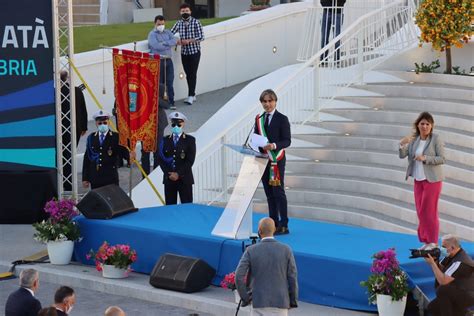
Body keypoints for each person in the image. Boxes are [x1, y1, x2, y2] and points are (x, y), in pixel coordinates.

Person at [399, 112, 445, 250]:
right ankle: (426, 241)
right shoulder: (415, 140)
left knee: (428, 211)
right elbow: (402, 155)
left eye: (427, 124)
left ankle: (433, 241)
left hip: (432, 180)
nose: (424, 126)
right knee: (420, 211)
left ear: (431, 126)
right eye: (422, 123)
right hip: (418, 179)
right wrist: (402, 145)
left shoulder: (435, 139)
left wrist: (425, 158)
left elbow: (442, 158)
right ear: (418, 125)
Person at [235, 217, 298, 315]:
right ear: (274, 229)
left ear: (259, 231)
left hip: (258, 302)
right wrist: (292, 301)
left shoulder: (250, 250)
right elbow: (292, 278)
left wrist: (245, 298)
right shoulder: (286, 250)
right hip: (280, 303)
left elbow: (238, 276)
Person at [254, 89, 291, 235]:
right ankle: (273, 223)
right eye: (264, 101)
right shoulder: (259, 119)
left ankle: (284, 224)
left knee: (278, 192)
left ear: (275, 101)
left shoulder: (282, 118)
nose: (267, 104)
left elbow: (287, 140)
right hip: (263, 160)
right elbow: (256, 137)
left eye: (270, 101)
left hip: (276, 160)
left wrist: (274, 145)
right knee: (269, 193)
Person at [424, 234, 474, 316]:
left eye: (443, 246)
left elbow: (443, 281)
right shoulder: (450, 254)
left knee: (443, 290)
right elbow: (440, 270)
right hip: (456, 291)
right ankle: (466, 314)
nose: (441, 249)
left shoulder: (461, 261)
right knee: (432, 307)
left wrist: (432, 264)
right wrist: (435, 261)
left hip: (469, 295)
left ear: (453, 248)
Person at [157, 111, 196, 205]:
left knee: (187, 208)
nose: (176, 126)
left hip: (184, 179)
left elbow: (190, 161)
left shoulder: (190, 140)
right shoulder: (165, 140)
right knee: (170, 208)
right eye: (174, 124)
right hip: (169, 179)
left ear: (183, 124)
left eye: (179, 124)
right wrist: (169, 173)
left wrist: (178, 173)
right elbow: (161, 159)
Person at [60, 70, 88, 191]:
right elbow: (83, 109)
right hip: (75, 128)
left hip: (61, 129)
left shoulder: (57, 91)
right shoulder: (76, 90)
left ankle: (64, 181)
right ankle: (68, 182)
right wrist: (84, 127)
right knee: (70, 155)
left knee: (63, 156)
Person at [171, 3, 204, 105]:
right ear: (180, 12)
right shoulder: (178, 23)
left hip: (194, 52)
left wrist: (189, 41)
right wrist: (176, 41)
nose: (185, 13)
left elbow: (201, 37)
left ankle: (190, 95)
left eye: (187, 11)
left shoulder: (196, 22)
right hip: (184, 53)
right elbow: (170, 33)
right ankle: (192, 95)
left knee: (192, 74)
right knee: (187, 74)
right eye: (183, 11)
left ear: (190, 11)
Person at [82, 110, 120, 189]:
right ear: (96, 123)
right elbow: (87, 158)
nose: (102, 125)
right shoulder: (91, 138)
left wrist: (130, 155)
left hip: (110, 178)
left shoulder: (115, 137)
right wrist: (85, 178)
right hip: (95, 178)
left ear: (108, 122)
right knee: (97, 200)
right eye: (100, 123)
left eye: (105, 123)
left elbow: (123, 152)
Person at [148, 15, 177, 110]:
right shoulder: (152, 34)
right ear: (155, 24)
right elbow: (156, 46)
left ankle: (171, 102)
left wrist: (164, 43)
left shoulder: (168, 32)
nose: (161, 25)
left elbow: (174, 41)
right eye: (159, 24)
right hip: (158, 61)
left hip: (168, 60)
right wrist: (168, 44)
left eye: (162, 24)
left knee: (170, 82)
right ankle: (160, 104)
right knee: (159, 83)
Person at [141, 84, 170, 176]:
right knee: (145, 152)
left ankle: (156, 175)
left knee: (157, 151)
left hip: (158, 123)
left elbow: (167, 104)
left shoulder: (160, 87)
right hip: (144, 123)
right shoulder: (141, 86)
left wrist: (156, 99)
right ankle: (145, 177)